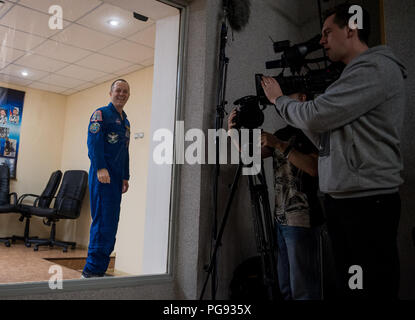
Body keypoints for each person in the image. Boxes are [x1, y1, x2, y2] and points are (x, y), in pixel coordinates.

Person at [261, 3, 407, 299]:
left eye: (328, 32)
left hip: (366, 204)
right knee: (352, 286)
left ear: (351, 28)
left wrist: (280, 101)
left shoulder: (374, 68)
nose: (322, 40)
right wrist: (296, 115)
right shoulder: (351, 78)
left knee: (369, 287)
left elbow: (316, 115)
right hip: (345, 202)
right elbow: (325, 135)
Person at [228, 91, 324, 300]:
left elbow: (314, 169)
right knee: (285, 287)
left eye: (288, 97)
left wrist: (279, 144)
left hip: (302, 220)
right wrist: (233, 132)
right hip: (280, 219)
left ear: (303, 98)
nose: (281, 104)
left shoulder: (313, 131)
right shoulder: (282, 132)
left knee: (304, 289)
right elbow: (249, 156)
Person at [82, 79, 131, 278]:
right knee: (102, 223)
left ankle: (99, 270)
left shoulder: (126, 121)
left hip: (116, 179)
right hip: (102, 178)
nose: (122, 94)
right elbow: (93, 143)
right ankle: (90, 272)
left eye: (125, 91)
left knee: (111, 223)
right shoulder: (101, 114)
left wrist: (125, 176)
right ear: (110, 93)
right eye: (118, 90)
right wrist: (100, 167)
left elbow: (125, 152)